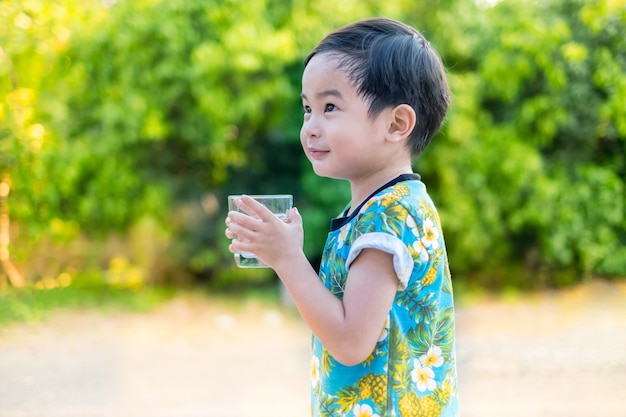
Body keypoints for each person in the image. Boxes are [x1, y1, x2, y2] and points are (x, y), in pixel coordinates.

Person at [225, 17, 459, 417]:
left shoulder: (390, 215)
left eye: (330, 107)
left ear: (396, 124)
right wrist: (286, 252)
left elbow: (351, 342)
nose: (311, 127)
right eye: (307, 109)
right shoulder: (376, 209)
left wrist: (288, 260)